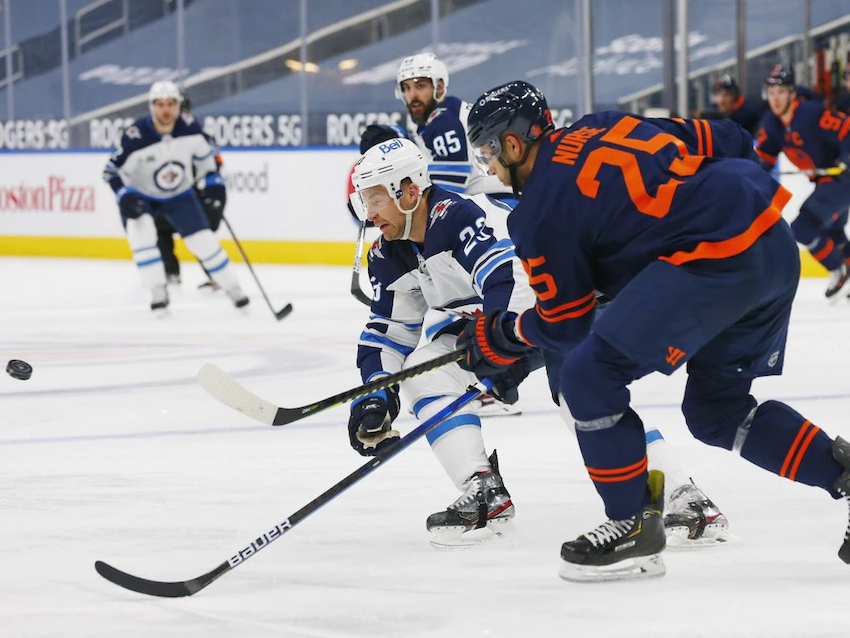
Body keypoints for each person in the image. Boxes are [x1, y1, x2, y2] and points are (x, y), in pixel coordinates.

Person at [459, 79, 850, 582]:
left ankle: (632, 526)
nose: (490, 166)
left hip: (715, 258)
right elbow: (732, 139)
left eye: (489, 152)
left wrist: (503, 334)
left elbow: (565, 323)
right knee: (717, 411)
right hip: (770, 238)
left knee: (586, 378)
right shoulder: (603, 125)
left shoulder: (538, 210)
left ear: (514, 143)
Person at [347, 137, 534, 549]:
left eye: (376, 199)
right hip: (498, 324)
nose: (370, 213)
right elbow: (388, 332)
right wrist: (377, 393)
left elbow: (508, 279)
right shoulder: (391, 253)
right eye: (365, 201)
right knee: (423, 374)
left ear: (411, 191)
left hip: (559, 305)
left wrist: (499, 339)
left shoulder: (459, 217)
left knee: (581, 396)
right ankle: (483, 491)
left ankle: (673, 491)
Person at [103, 81, 247, 312]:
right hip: (143, 196)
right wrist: (124, 194)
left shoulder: (190, 128)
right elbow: (111, 171)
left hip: (179, 194)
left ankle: (233, 288)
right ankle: (157, 290)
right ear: (152, 107)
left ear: (179, 106)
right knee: (142, 236)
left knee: (203, 240)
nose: (166, 110)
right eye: (160, 105)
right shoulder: (135, 135)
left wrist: (214, 187)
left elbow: (208, 161)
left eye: (171, 104)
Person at [755, 65, 850, 300]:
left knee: (804, 227)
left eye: (780, 92)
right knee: (831, 230)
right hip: (826, 182)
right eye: (771, 93)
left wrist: (847, 157)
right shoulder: (773, 123)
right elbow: (763, 158)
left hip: (843, 178)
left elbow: (846, 127)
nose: (776, 99)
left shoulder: (810, 112)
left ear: (792, 93)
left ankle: (839, 269)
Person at [155, 93, 226, 291]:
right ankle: (171, 273)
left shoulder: (196, 136)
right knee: (161, 227)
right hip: (180, 195)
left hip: (201, 194)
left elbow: (214, 167)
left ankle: (218, 276)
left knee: (198, 235)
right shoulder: (166, 138)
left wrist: (210, 193)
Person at [700, 74, 764, 135]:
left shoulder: (751, 111)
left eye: (726, 95)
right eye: (718, 94)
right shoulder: (711, 113)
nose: (721, 100)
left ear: (735, 96)